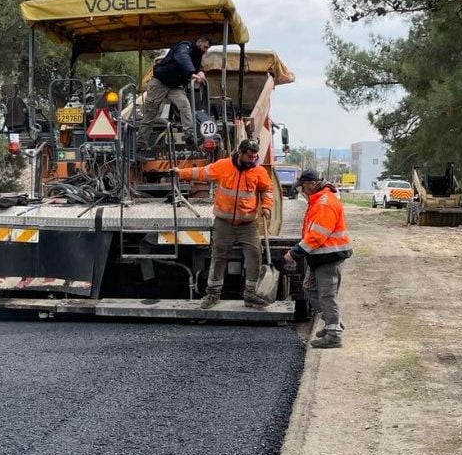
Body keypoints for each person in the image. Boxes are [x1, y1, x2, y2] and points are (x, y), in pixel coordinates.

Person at [171, 138, 273, 309]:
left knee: (255, 255)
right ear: (240, 153)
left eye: (255, 157)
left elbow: (267, 190)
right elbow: (202, 173)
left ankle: (250, 295)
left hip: (247, 224)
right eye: (249, 156)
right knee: (218, 257)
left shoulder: (259, 171)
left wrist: (267, 207)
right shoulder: (223, 166)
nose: (253, 160)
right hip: (224, 223)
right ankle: (213, 294)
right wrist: (180, 173)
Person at [283, 170, 352, 349]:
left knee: (327, 295)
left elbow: (317, 235)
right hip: (320, 255)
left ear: (312, 183)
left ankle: (334, 334)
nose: (302, 190)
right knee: (309, 287)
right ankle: (332, 322)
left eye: (303, 186)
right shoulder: (319, 200)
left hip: (328, 255)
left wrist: (295, 253)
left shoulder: (324, 203)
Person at [136, 35, 211, 156]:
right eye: (205, 46)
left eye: (208, 48)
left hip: (174, 86)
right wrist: (192, 73)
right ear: (199, 41)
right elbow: (182, 58)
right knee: (150, 116)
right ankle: (140, 145)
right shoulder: (184, 47)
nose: (206, 50)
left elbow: (197, 66)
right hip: (160, 83)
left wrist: (201, 72)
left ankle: (189, 135)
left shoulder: (197, 55)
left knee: (184, 104)